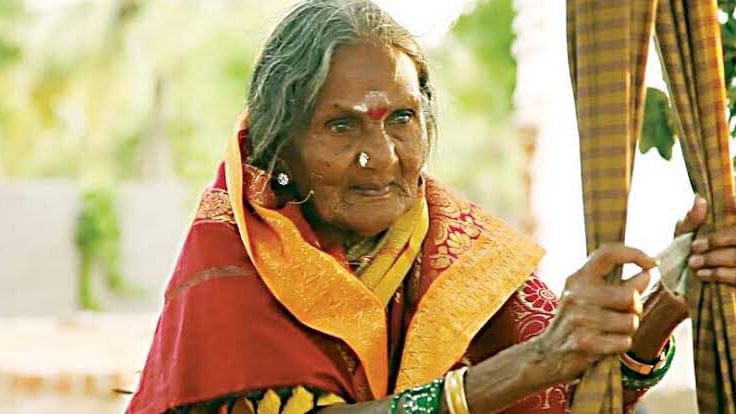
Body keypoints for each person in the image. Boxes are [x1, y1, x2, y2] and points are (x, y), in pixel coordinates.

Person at [126, 1, 736, 413]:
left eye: (402, 119)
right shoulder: (234, 255)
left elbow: (574, 395)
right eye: (341, 127)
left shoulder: (465, 251)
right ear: (279, 143)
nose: (383, 158)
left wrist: (665, 302)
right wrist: (527, 365)